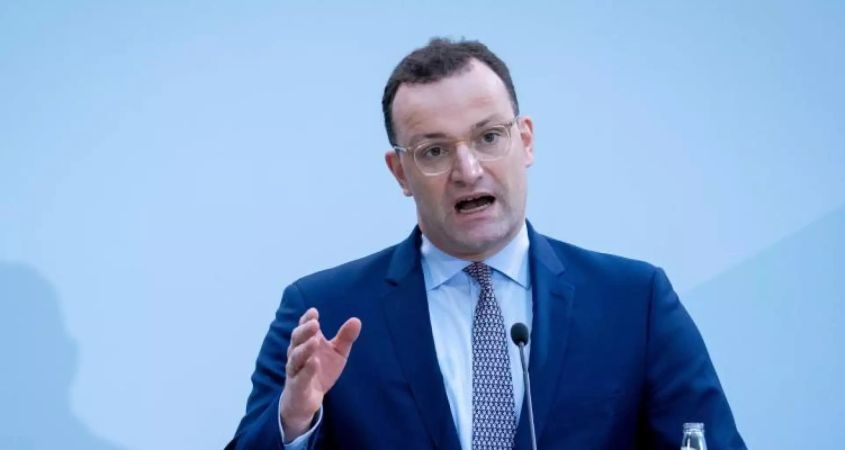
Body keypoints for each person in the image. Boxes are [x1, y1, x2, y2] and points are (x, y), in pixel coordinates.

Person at [227, 38, 746, 450]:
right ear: (401, 172)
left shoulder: (635, 300)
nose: (468, 170)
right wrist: (294, 422)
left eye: (488, 138)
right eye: (433, 150)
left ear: (525, 141)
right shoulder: (326, 311)